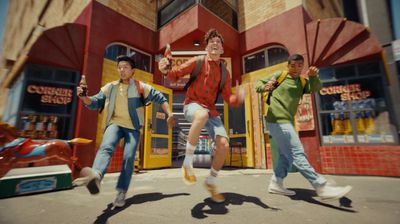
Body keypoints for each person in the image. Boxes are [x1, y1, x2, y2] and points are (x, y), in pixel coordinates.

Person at [77, 55, 175, 208]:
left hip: (133, 128)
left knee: (129, 158)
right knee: (106, 146)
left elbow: (160, 98)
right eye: (120, 67)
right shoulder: (111, 87)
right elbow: (94, 102)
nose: (122, 70)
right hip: (114, 124)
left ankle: (121, 192)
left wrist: (170, 113)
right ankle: (96, 175)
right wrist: (84, 97)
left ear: (133, 71)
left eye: (125, 67)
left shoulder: (140, 86)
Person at [158, 28, 244, 203]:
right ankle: (187, 163)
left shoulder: (225, 74)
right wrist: (165, 70)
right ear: (206, 48)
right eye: (211, 42)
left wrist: (238, 98)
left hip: (211, 111)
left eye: (218, 42)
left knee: (223, 145)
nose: (214, 43)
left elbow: (228, 98)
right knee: (202, 115)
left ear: (221, 49)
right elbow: (175, 74)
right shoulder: (197, 61)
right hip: (192, 105)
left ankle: (211, 181)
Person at [255, 54, 352, 200]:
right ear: (288, 65)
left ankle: (276, 183)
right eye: (292, 65)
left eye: (299, 66)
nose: (295, 69)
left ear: (302, 67)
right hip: (276, 119)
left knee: (284, 156)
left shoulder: (301, 81)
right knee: (297, 152)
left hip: (287, 121)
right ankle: (320, 186)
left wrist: (313, 77)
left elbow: (315, 88)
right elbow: (258, 84)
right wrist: (265, 86)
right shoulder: (279, 76)